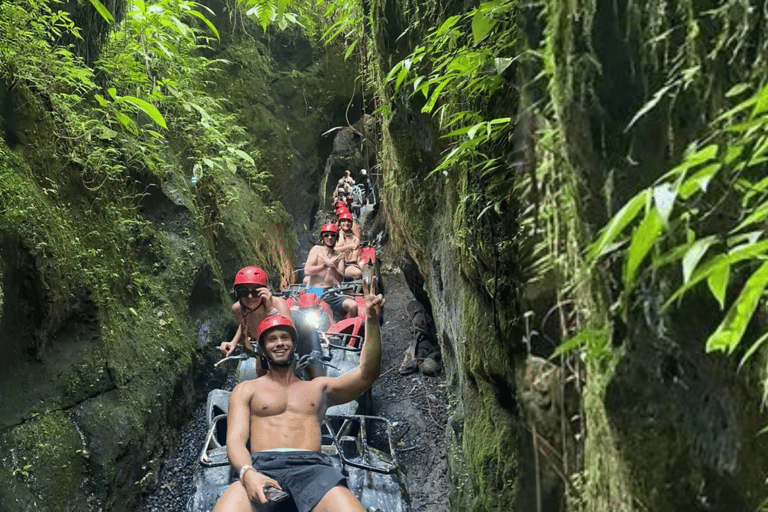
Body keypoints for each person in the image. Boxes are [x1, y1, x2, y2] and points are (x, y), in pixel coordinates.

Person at [213, 278, 384, 512]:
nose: (279, 343)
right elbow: (235, 440)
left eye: (285, 338)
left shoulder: (317, 388)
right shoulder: (246, 389)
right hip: (261, 467)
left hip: (312, 470)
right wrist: (247, 473)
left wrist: (372, 322)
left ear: (295, 345)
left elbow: (367, 374)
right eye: (272, 339)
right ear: (263, 348)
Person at [220, 266, 292, 357]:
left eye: (256, 292)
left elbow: (289, 335)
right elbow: (243, 325)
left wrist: (270, 309)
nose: (250, 297)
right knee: (260, 367)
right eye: (243, 292)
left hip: (284, 348)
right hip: (262, 349)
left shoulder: (278, 303)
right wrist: (233, 342)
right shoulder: (238, 308)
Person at [304, 223, 358, 318]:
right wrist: (325, 265)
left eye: (333, 235)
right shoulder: (316, 249)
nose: (329, 237)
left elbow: (340, 279)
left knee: (353, 306)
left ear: (336, 237)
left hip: (330, 292)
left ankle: (344, 327)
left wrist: (332, 267)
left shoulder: (339, 255)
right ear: (322, 237)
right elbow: (307, 271)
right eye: (326, 235)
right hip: (314, 291)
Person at [334, 211, 362, 281]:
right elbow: (330, 249)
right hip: (333, 264)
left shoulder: (355, 239)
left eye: (348, 221)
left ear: (351, 224)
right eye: (343, 221)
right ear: (340, 223)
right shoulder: (332, 236)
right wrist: (348, 247)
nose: (346, 223)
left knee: (357, 273)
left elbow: (354, 259)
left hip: (348, 266)